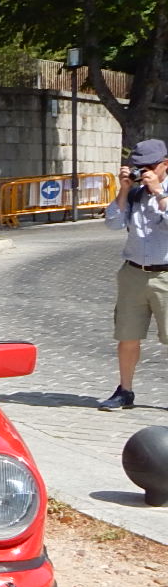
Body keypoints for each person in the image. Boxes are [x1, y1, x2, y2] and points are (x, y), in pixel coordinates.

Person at [99, 137, 168, 410]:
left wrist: (160, 194)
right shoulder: (136, 194)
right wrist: (124, 190)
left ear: (165, 165)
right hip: (133, 274)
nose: (144, 172)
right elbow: (113, 223)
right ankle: (124, 390)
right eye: (137, 167)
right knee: (127, 336)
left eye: (149, 166)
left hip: (165, 274)